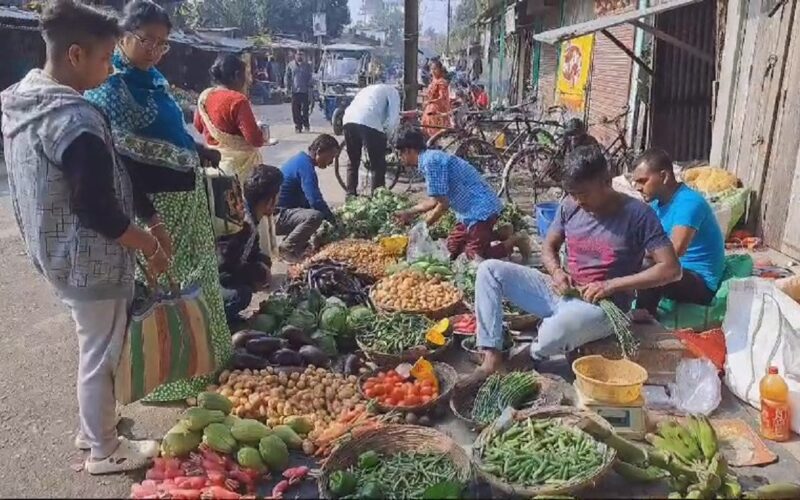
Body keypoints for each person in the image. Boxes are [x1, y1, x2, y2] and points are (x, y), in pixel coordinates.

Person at [1, 0, 169, 473]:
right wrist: (148, 244)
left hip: (54, 251)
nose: (108, 67)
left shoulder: (24, 98)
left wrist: (149, 219)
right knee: (100, 350)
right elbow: (95, 207)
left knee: (93, 343)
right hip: (86, 258)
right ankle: (103, 449)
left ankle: (95, 425)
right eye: (104, 58)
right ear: (75, 55)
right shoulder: (74, 121)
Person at [85, 0, 231, 402]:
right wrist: (149, 218)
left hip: (187, 200)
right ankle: (165, 378)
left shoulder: (156, 81)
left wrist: (198, 149)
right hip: (155, 208)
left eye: (162, 44)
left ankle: (204, 364)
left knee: (197, 284)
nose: (154, 50)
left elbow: (173, 133)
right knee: (164, 292)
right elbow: (119, 166)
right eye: (146, 40)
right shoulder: (109, 88)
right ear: (122, 36)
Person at [468, 146, 682, 380]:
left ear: (606, 181)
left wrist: (610, 285)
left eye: (584, 193)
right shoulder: (570, 205)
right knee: (489, 271)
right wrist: (557, 272)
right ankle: (491, 357)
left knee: (556, 329)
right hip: (563, 292)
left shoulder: (639, 215)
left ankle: (532, 354)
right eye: (573, 193)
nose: (579, 200)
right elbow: (549, 246)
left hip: (602, 307)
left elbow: (671, 269)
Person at [393, 127, 530, 261]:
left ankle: (516, 239)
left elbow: (443, 205)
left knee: (475, 258)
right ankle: (501, 233)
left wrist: (423, 226)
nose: (400, 158)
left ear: (409, 151)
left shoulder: (431, 163)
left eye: (401, 154)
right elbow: (434, 200)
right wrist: (409, 212)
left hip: (480, 210)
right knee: (451, 250)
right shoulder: (430, 158)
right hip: (467, 213)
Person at [631, 148, 725, 318]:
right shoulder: (656, 205)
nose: (638, 188)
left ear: (664, 176)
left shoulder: (689, 203)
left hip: (700, 283)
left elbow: (673, 253)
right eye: (636, 183)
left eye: (642, 181)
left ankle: (644, 317)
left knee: (648, 265)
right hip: (676, 273)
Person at [217, 165, 283, 323]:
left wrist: (260, 265)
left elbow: (251, 252)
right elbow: (222, 268)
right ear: (270, 200)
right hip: (212, 282)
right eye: (277, 195)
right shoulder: (241, 223)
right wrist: (253, 273)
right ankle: (217, 321)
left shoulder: (251, 216)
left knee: (264, 262)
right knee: (242, 295)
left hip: (229, 269)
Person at [194, 54, 266, 178]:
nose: (247, 81)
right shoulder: (238, 100)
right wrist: (262, 132)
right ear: (237, 75)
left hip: (213, 164)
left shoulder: (205, 95)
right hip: (238, 168)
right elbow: (255, 140)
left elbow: (198, 126)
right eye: (246, 75)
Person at [276, 134, 339, 262]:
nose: (331, 162)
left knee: (310, 208)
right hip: (276, 216)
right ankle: (287, 248)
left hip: (283, 211)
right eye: (331, 157)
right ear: (319, 152)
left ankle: (294, 242)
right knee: (316, 216)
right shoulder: (306, 167)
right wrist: (333, 221)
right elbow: (315, 201)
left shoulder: (301, 160)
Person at [342, 83, 402, 195]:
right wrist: (387, 137)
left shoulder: (367, 89)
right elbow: (393, 119)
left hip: (348, 119)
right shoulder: (393, 92)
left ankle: (350, 195)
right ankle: (377, 198)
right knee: (378, 164)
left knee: (353, 161)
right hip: (369, 121)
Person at [285, 50, 313, 133]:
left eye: (301, 55)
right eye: (298, 54)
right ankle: (298, 126)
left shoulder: (307, 66)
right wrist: (287, 87)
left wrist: (310, 86)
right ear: (295, 55)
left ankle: (306, 125)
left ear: (303, 56)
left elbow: (310, 77)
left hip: (305, 91)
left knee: (305, 109)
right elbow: (287, 77)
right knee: (295, 110)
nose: (299, 56)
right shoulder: (290, 65)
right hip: (295, 91)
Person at [421, 59, 451, 137]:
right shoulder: (433, 81)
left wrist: (430, 102)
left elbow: (442, 97)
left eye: (435, 69)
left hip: (436, 110)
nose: (433, 71)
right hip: (429, 109)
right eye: (431, 69)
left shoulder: (442, 82)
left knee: (434, 134)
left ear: (440, 70)